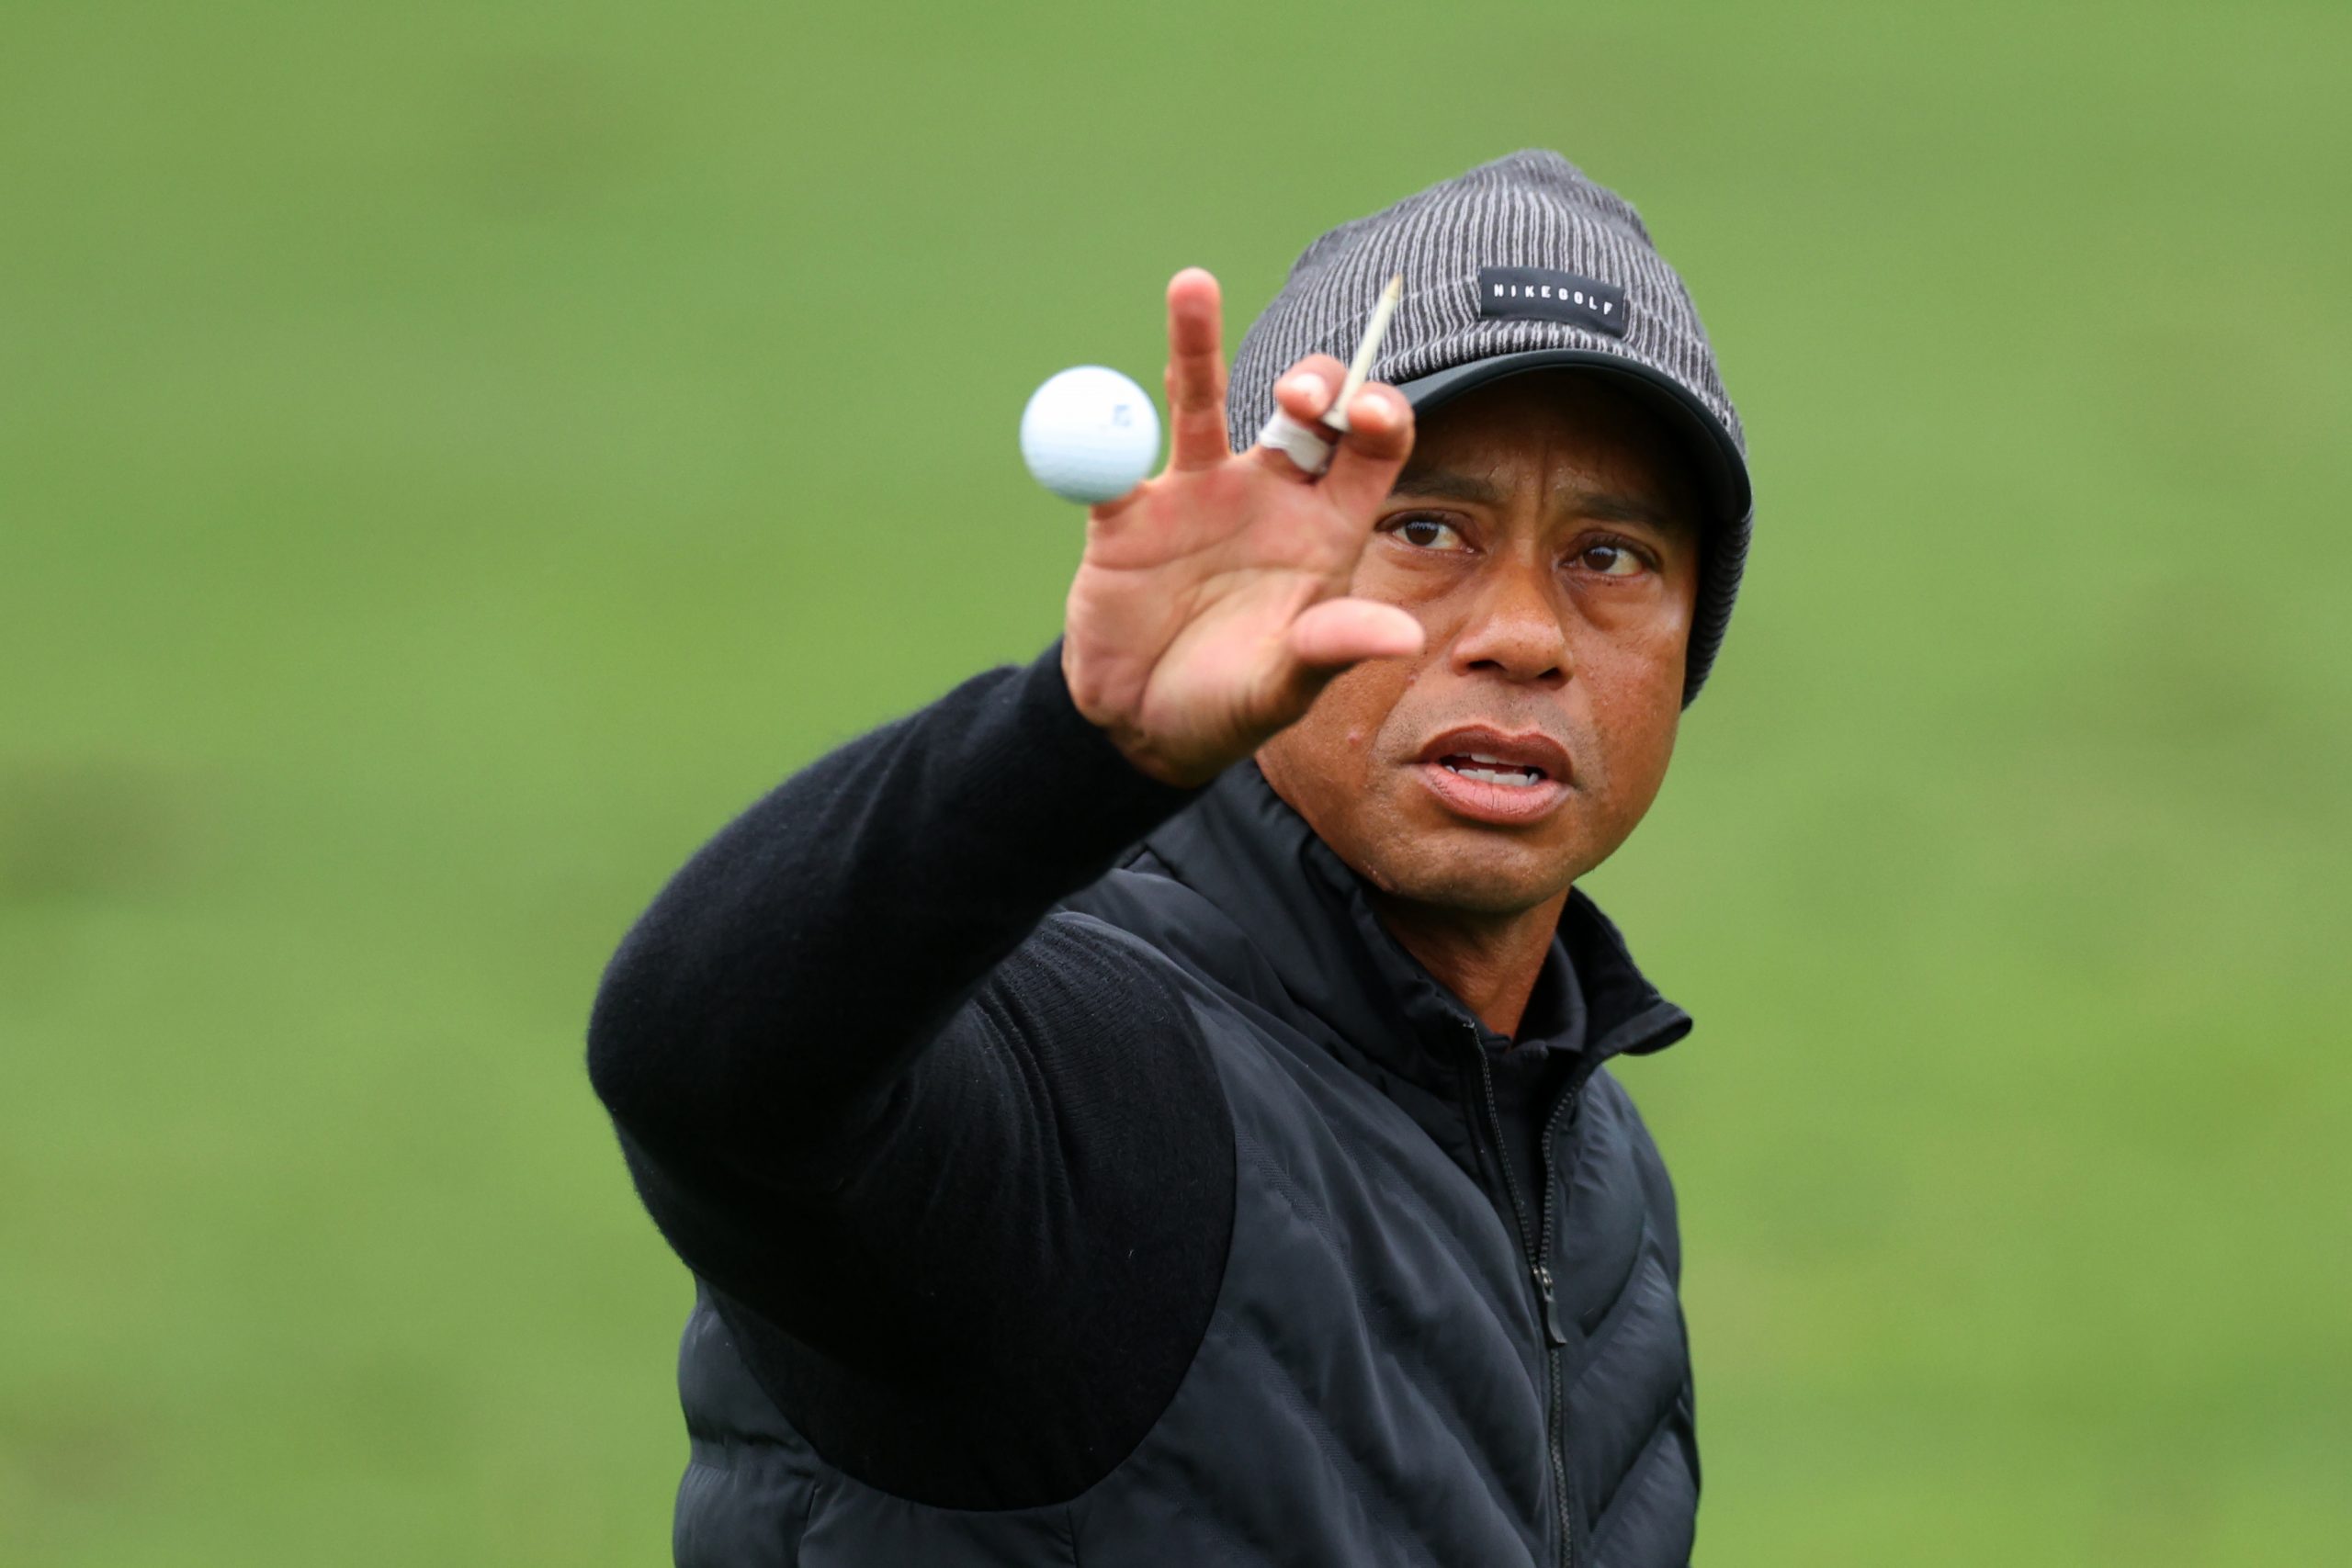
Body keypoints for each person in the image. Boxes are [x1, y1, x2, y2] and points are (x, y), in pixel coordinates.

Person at [587, 149, 1752, 1568]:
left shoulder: (1596, 1164)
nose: (1524, 632)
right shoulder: (1090, 1081)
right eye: (1424, 528)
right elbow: (702, 1064)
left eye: (1610, 555)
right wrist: (1074, 740)